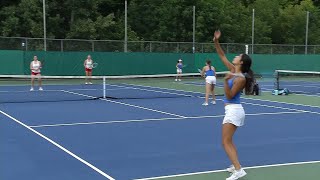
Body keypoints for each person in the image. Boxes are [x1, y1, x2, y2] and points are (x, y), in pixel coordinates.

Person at [214, 30, 254, 180]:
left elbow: (230, 96)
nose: (236, 56)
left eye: (238, 56)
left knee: (225, 142)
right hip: (232, 110)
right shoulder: (233, 70)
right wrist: (216, 41)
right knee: (228, 140)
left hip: (234, 110)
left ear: (241, 62)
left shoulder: (241, 78)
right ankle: (235, 165)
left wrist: (225, 81)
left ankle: (239, 170)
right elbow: (221, 55)